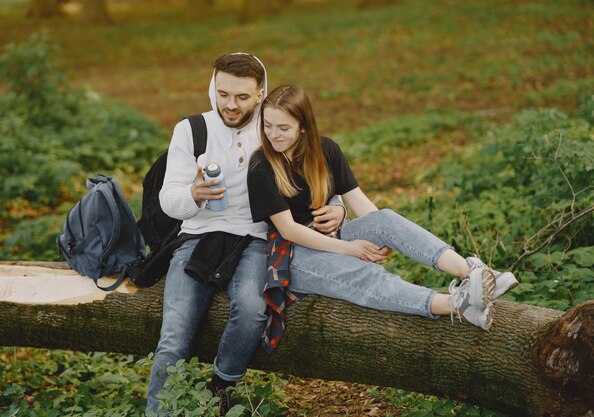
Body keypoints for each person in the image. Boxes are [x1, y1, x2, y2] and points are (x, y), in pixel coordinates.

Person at [145, 56, 347, 416]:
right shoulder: (192, 130)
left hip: (256, 237)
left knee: (254, 309)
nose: (230, 105)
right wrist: (192, 194)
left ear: (260, 94)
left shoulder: (272, 129)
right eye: (223, 94)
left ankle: (219, 387)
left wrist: (338, 207)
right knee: (173, 336)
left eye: (241, 97)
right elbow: (167, 201)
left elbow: (313, 173)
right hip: (197, 236)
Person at [247, 84, 519, 350]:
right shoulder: (262, 166)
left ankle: (474, 273)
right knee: (364, 274)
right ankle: (458, 305)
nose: (273, 135)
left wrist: (383, 234)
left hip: (331, 235)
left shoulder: (325, 150)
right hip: (294, 255)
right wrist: (350, 248)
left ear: (303, 126)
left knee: (385, 218)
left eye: (283, 128)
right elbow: (289, 231)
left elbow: (360, 202)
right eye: (268, 126)